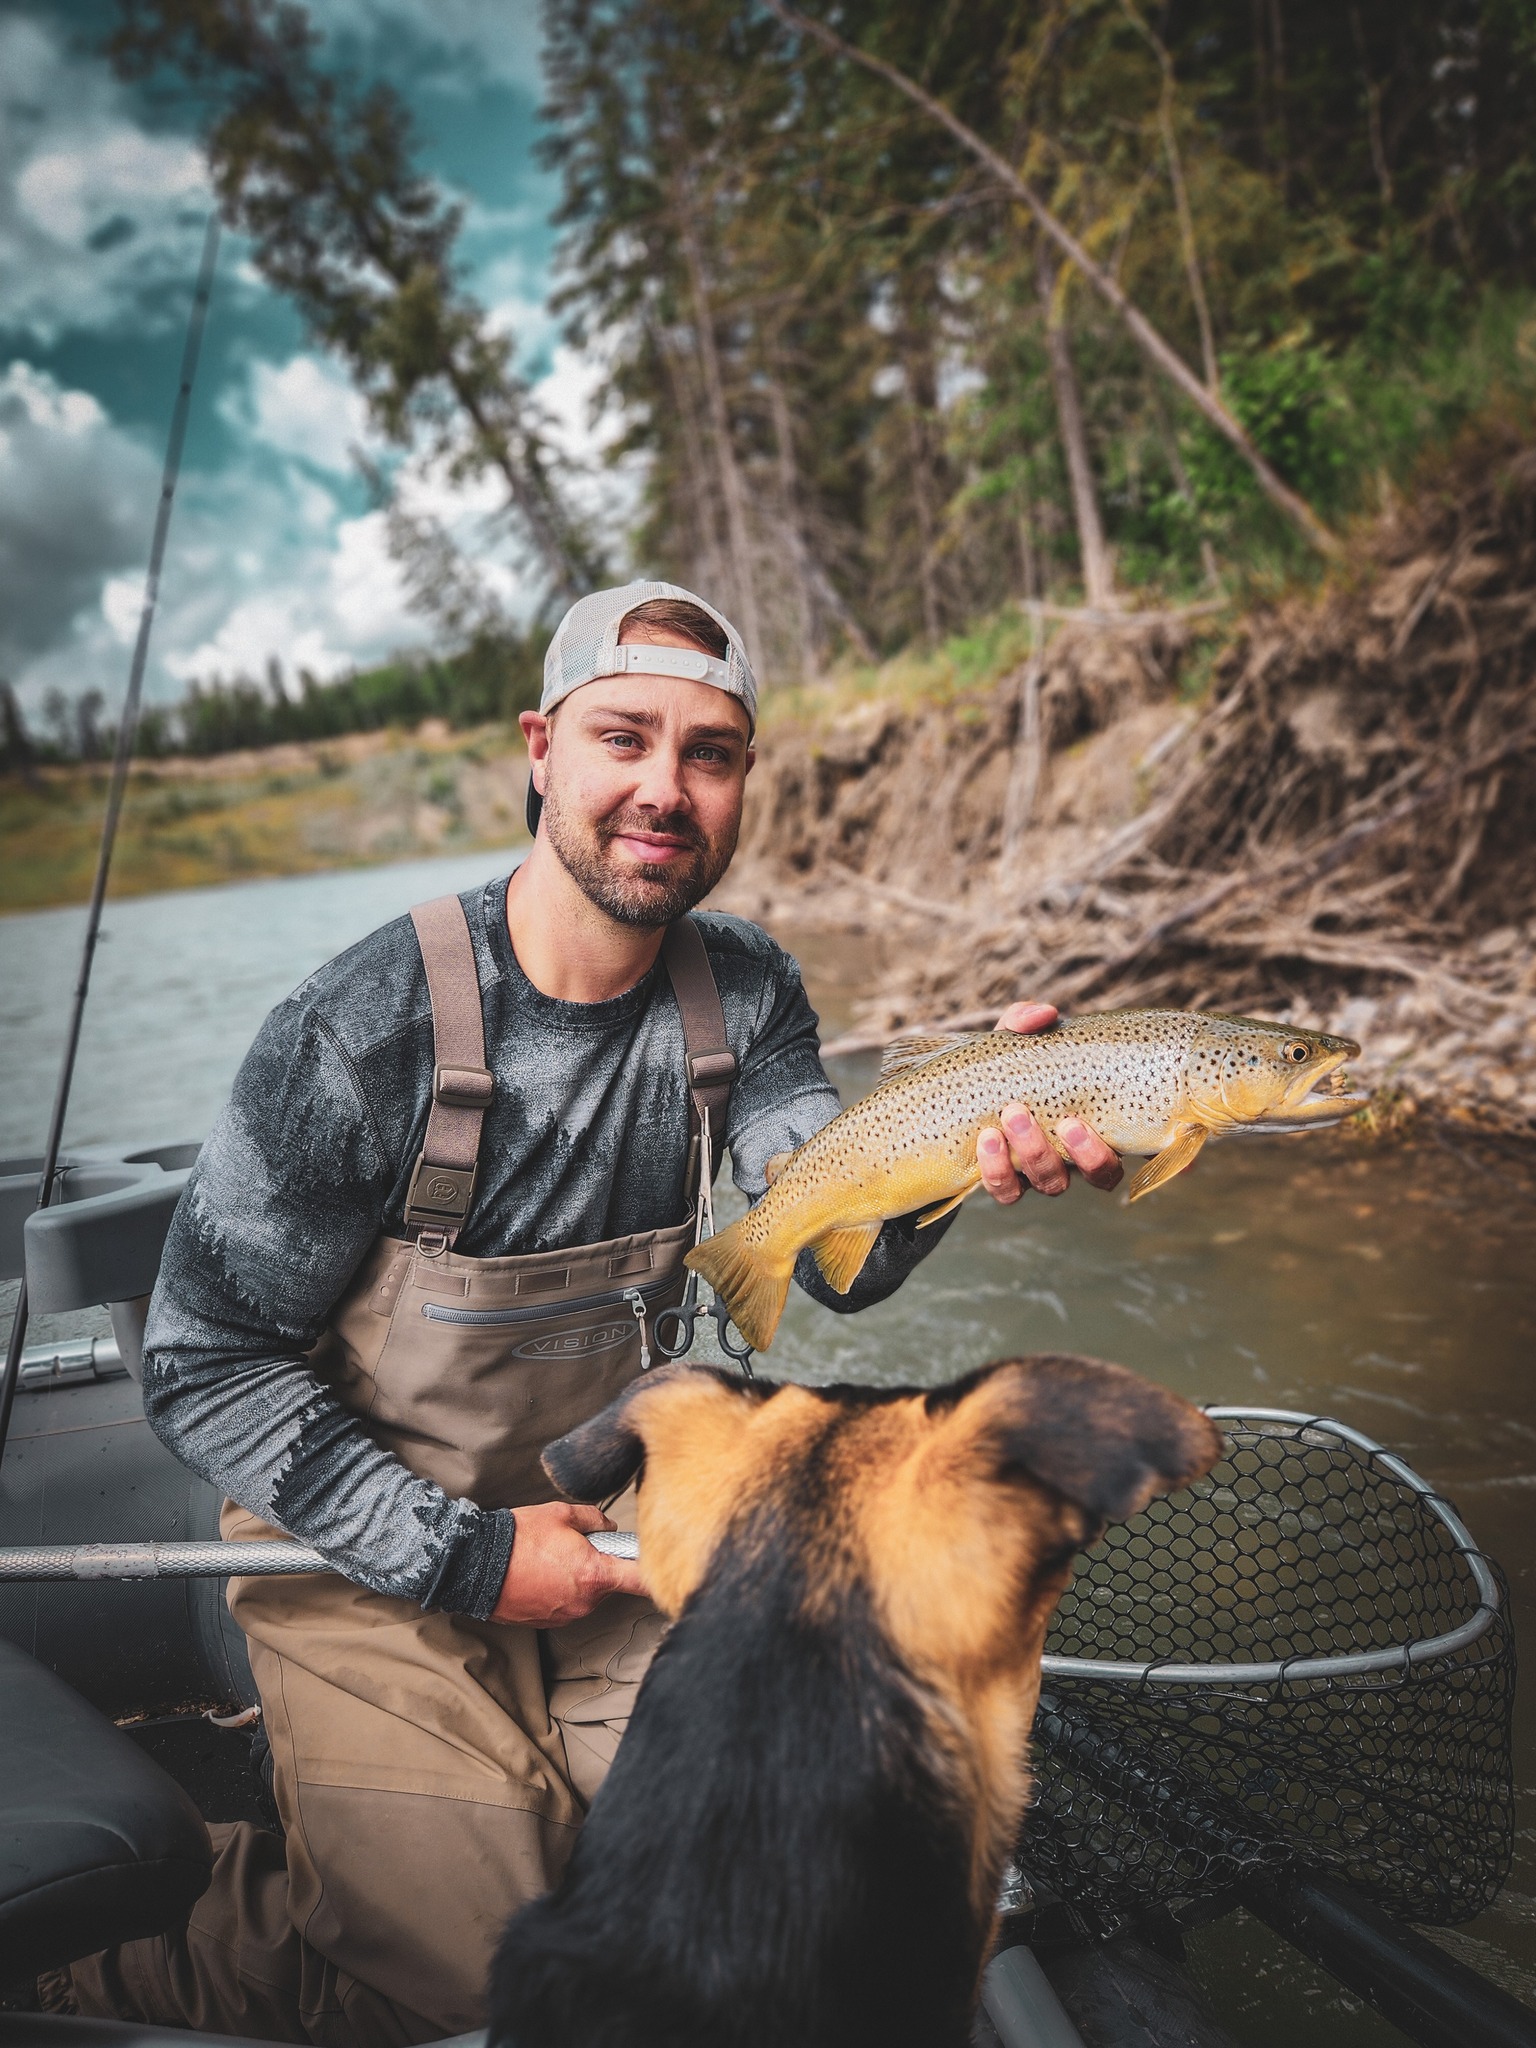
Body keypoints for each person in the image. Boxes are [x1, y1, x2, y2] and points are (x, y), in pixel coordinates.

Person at [53, 582, 1124, 2046]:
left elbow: (831, 1256)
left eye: (712, 753)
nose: (664, 792)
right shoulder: (357, 1031)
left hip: (627, 1528)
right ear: (542, 748)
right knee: (486, 1981)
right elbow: (203, 1362)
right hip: (363, 1551)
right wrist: (475, 1560)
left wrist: (957, 1146)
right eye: (626, 737)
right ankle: (128, 1945)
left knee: (759, 1892)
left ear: (744, 778)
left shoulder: (745, 993)